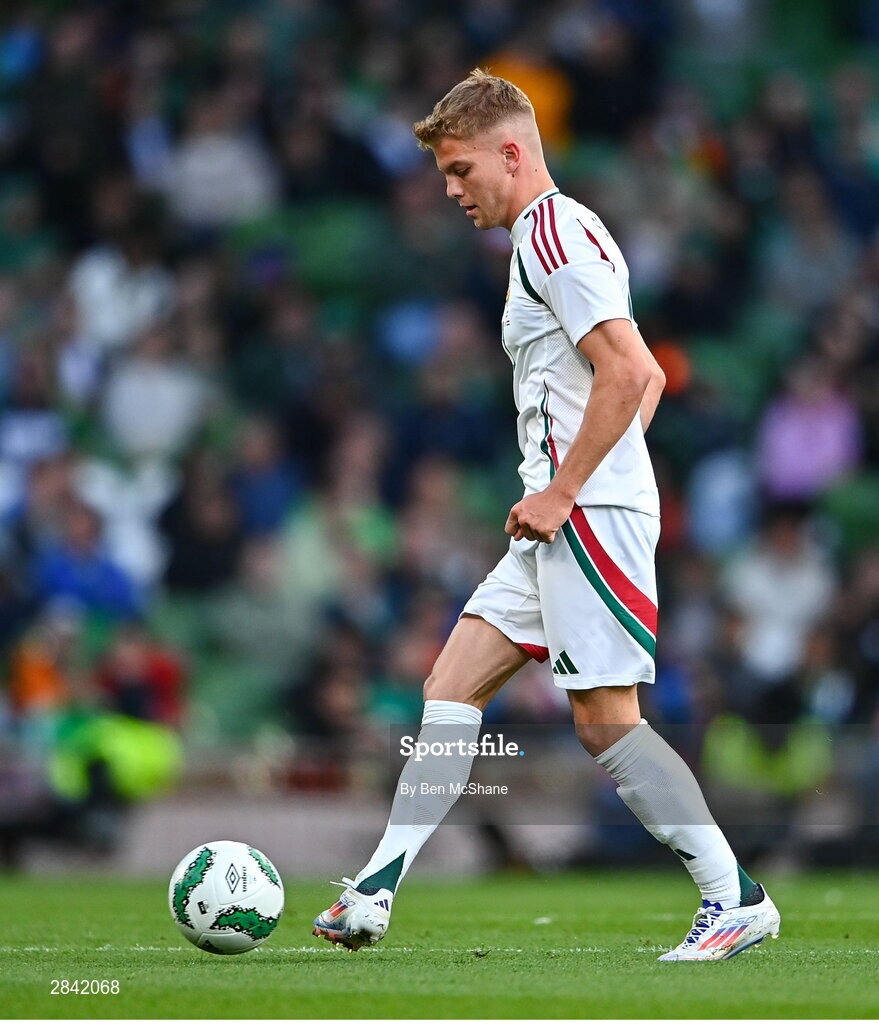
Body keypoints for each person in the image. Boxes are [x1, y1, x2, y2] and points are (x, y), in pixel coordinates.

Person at [312, 70, 781, 962]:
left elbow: (636, 374)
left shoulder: (552, 233)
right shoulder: (558, 232)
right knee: (450, 689)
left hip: (582, 514)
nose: (451, 190)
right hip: (563, 513)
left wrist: (572, 489)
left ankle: (735, 897)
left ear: (511, 153)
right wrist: (577, 481)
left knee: (607, 723)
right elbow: (623, 384)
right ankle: (372, 893)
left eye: (458, 170)